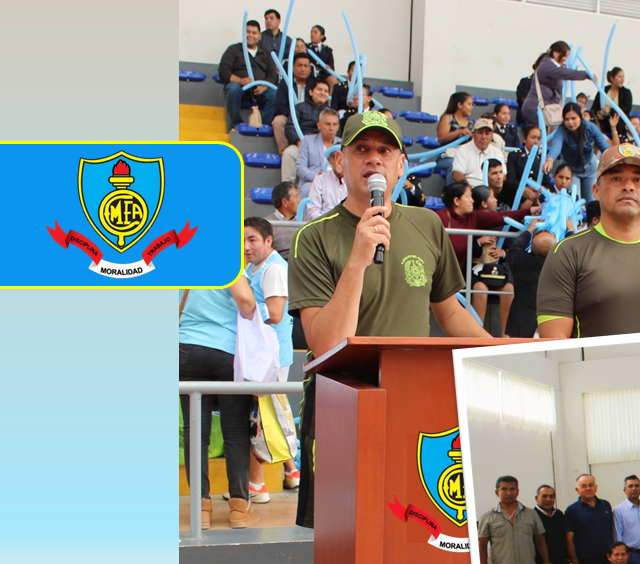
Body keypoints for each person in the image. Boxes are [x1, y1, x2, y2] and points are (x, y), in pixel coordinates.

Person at [287, 112, 489, 528]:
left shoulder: (427, 224)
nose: (374, 159)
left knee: (410, 527)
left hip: (413, 402)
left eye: (385, 150)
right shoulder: (315, 236)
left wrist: (498, 353)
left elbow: (450, 312)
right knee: (345, 533)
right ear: (340, 162)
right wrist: (358, 259)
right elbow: (325, 345)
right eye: (361, 149)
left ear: (401, 166)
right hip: (342, 407)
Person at [536, 144, 640, 338]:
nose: (628, 186)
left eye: (638, 179)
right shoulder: (567, 253)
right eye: (616, 178)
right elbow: (555, 344)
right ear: (596, 190)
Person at [180, 275, 259, 530]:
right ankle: (239, 508)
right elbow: (246, 301)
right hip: (226, 349)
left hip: (186, 347)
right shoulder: (228, 261)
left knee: (195, 432)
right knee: (235, 431)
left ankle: (201, 508)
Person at [240, 218, 296, 501]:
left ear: (269, 241)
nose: (246, 246)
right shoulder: (253, 268)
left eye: (252, 240)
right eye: (243, 240)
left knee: (257, 418)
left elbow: (274, 313)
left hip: (271, 357)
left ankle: (257, 485)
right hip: (262, 354)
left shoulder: (274, 269)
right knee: (273, 415)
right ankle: (291, 472)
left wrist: (242, 310)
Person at [435, 181, 535, 277]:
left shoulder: (473, 216)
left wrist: (530, 211)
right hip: (437, 272)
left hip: (455, 277)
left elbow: (501, 217)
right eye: (468, 196)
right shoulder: (439, 217)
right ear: (456, 201)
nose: (472, 200)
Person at [545, 104, 613, 203]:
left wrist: (613, 161)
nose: (570, 122)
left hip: (590, 168)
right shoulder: (561, 130)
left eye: (573, 118)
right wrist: (550, 159)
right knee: (574, 201)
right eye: (567, 119)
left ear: (580, 118)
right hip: (571, 170)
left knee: (592, 202)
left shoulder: (590, 127)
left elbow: (605, 147)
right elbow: (556, 144)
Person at [217, 19, 277, 132]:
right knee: (232, 88)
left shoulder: (266, 53)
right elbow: (223, 71)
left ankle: (263, 126)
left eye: (254, 33)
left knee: (275, 94)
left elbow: (272, 75)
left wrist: (264, 86)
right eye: (248, 32)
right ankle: (236, 124)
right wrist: (240, 81)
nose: (251, 35)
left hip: (260, 91)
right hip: (240, 89)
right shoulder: (233, 49)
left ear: (260, 36)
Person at [521, 41, 593, 128]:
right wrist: (586, 75)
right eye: (564, 55)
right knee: (536, 133)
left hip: (544, 108)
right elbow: (564, 73)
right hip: (536, 107)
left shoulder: (550, 65)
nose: (565, 59)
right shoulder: (547, 65)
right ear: (555, 53)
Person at [281, 82, 331, 180]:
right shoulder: (299, 108)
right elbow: (290, 127)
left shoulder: (331, 113)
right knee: (289, 153)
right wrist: (298, 142)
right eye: (319, 89)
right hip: (301, 145)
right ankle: (288, 187)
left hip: (323, 148)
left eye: (326, 91)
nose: (323, 93)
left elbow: (337, 133)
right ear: (311, 92)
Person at [272, 53, 315, 156]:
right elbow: (279, 106)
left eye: (306, 66)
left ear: (310, 68)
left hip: (310, 118)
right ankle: (285, 153)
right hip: (290, 116)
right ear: (293, 67)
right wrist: (294, 116)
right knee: (278, 121)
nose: (303, 69)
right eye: (299, 65)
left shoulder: (315, 83)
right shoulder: (285, 83)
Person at [294, 107, 340, 200]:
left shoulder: (342, 144)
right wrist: (317, 177)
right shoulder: (308, 141)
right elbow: (300, 167)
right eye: (327, 124)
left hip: (336, 182)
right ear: (319, 125)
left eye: (334, 124)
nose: (331, 128)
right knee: (308, 190)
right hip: (312, 182)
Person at [451, 118, 507, 187]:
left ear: (492, 135)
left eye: (487, 133)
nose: (483, 137)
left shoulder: (497, 152)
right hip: (469, 187)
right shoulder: (463, 150)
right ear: (474, 134)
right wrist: (468, 188)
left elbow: (503, 176)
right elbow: (456, 174)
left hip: (491, 189)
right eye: (480, 133)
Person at [303, 141, 347, 221]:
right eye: (335, 157)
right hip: (324, 225)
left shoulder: (354, 180)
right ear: (329, 160)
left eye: (343, 157)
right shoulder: (320, 180)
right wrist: (330, 221)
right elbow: (313, 210)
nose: (339, 161)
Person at [591, 67, 633, 133]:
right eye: (619, 77)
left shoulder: (626, 92)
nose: (622, 79)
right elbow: (594, 107)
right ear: (612, 78)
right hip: (603, 120)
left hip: (618, 122)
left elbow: (627, 108)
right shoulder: (603, 90)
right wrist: (598, 113)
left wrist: (610, 111)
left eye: (623, 77)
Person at [268, 182, 301, 261]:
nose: (300, 200)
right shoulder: (268, 225)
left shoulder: (306, 221)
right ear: (285, 202)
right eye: (296, 197)